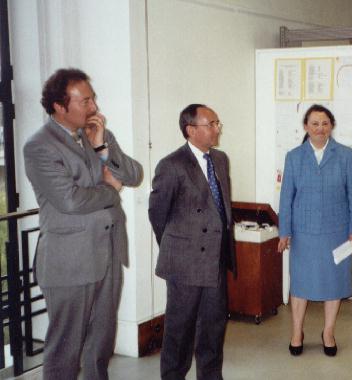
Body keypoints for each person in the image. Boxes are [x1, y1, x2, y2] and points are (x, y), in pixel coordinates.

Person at [23, 68, 143, 380]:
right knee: (66, 349)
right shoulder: (40, 146)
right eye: (85, 101)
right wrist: (109, 189)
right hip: (69, 261)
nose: (93, 108)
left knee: (101, 344)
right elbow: (71, 201)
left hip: (108, 253)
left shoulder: (96, 132)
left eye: (93, 99)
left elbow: (133, 175)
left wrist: (102, 147)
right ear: (59, 107)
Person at [148, 104, 235, 380]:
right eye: (211, 123)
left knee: (213, 329)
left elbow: (222, 208)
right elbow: (157, 214)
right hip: (185, 264)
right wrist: (179, 248)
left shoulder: (220, 159)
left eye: (217, 122)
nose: (217, 128)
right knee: (180, 333)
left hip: (216, 260)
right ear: (191, 130)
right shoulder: (171, 165)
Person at [277, 104, 352, 357]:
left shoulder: (346, 155)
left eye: (325, 123)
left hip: (336, 232)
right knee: (301, 284)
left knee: (333, 284)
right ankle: (297, 332)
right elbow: (286, 197)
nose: (320, 128)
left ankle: (328, 332)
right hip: (303, 233)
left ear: (331, 126)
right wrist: (285, 231)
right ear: (306, 126)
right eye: (314, 123)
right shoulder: (294, 156)